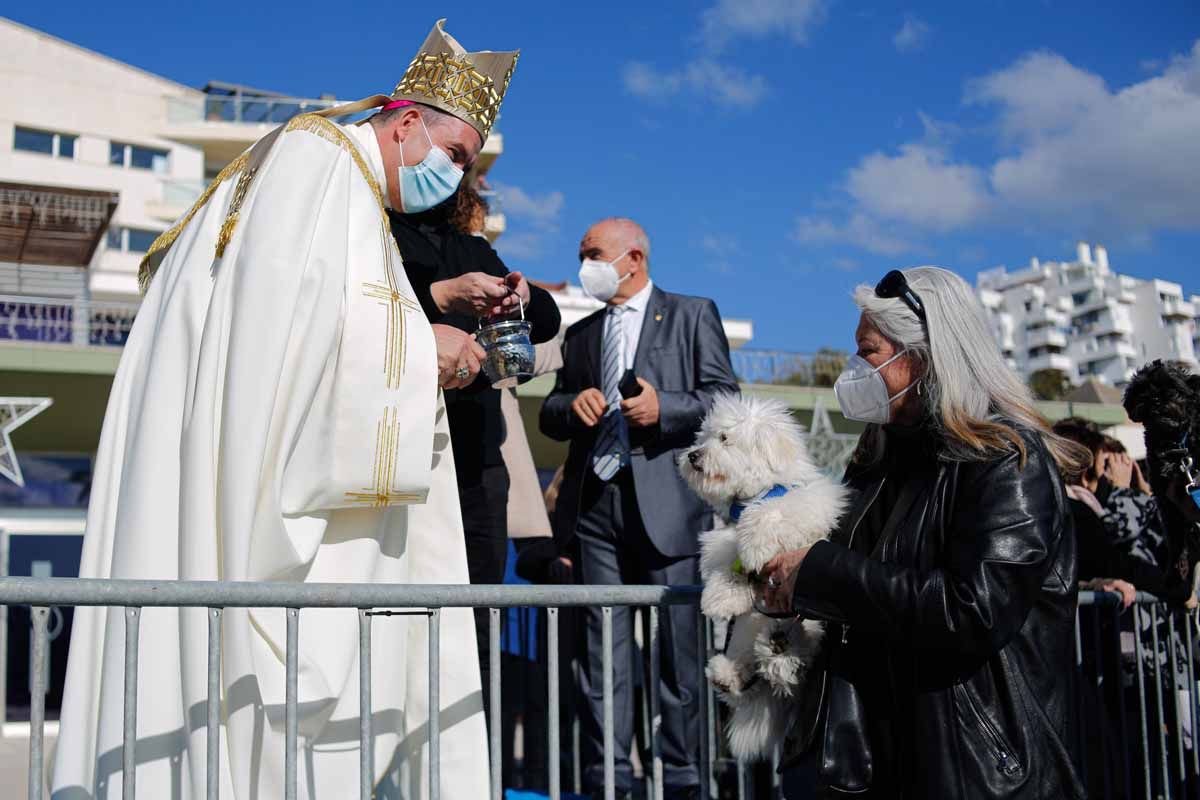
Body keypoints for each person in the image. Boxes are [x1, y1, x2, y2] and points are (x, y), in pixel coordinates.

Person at [52, 19, 517, 799]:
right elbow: (286, 343)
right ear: (406, 124)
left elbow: (284, 334)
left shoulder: (309, 169)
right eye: (456, 156)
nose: (457, 176)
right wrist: (419, 342)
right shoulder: (318, 163)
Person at [758, 267, 1090, 799]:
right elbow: (863, 586)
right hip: (876, 756)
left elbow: (970, 612)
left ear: (922, 356)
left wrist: (821, 572)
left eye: (868, 351)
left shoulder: (1006, 462)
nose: (854, 368)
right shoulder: (876, 462)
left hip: (974, 768)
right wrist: (793, 585)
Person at [540, 217, 739, 800]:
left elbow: (724, 399)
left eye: (592, 254)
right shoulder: (581, 336)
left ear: (632, 258)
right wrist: (569, 405)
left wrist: (665, 409)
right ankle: (609, 779)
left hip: (670, 509)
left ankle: (682, 777)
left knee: (680, 652)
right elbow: (551, 409)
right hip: (596, 510)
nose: (584, 265)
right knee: (602, 656)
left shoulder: (692, 314)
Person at [388, 166, 560, 717]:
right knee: (402, 603)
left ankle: (473, 737)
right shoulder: (375, 234)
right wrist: (441, 295)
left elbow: (549, 320)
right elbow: (356, 304)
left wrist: (520, 297)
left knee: (480, 608)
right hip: (401, 451)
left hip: (477, 460)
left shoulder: (474, 248)